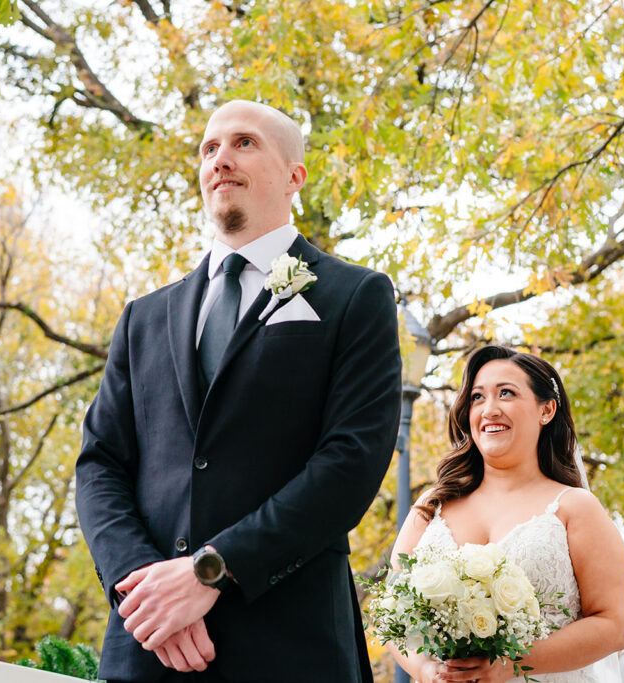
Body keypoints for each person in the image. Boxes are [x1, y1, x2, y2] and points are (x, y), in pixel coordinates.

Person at [75, 99, 402, 683]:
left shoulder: (354, 296)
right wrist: (147, 591)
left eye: (244, 143)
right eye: (209, 148)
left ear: (295, 176)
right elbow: (101, 464)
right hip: (150, 646)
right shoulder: (143, 317)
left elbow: (350, 462)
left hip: (290, 645)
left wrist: (210, 571)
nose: (220, 158)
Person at [387, 345, 624, 682]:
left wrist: (513, 662)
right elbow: (393, 610)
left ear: (546, 410)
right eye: (477, 397)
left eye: (506, 393)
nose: (490, 409)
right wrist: (426, 669)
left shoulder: (574, 508)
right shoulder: (432, 505)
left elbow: (613, 625)